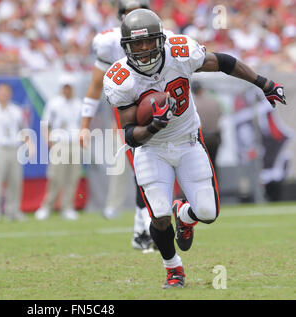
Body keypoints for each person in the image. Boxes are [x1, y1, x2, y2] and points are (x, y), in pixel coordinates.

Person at [103, 9, 286, 289]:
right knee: (159, 215)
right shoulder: (120, 78)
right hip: (152, 150)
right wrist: (154, 126)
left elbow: (223, 62)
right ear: (126, 47)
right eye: (136, 44)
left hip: (189, 141)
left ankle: (185, 215)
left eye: (148, 41)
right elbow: (130, 135)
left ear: (160, 40)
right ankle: (173, 269)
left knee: (208, 213)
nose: (142, 49)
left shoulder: (180, 52)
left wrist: (264, 83)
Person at [78, 0, 165, 252]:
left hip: (158, 111)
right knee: (144, 171)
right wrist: (84, 125)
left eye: (141, 12)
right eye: (129, 13)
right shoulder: (109, 43)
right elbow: (95, 86)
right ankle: (142, 231)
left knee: (152, 172)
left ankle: (143, 230)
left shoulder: (163, 38)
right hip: (128, 115)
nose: (135, 19)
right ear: (120, 16)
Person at [35, 75, 82, 221]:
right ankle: (46, 207)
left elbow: (83, 124)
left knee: (72, 177)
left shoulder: (78, 104)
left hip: (74, 142)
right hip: (59, 143)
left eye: (69, 87)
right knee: (55, 177)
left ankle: (67, 207)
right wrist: (48, 139)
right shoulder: (54, 103)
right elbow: (46, 123)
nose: (67, 90)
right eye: (65, 87)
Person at [0, 83, 28, 222]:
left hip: (14, 148)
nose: (3, 95)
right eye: (1, 92)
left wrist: (28, 145)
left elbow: (24, 129)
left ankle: (13, 210)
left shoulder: (16, 110)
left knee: (15, 180)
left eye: (6, 92)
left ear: (10, 94)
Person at [191, 80, 222, 176]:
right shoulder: (214, 101)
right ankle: (215, 188)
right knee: (213, 164)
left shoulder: (193, 105)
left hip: (202, 139)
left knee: (202, 167)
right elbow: (220, 115)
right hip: (215, 138)